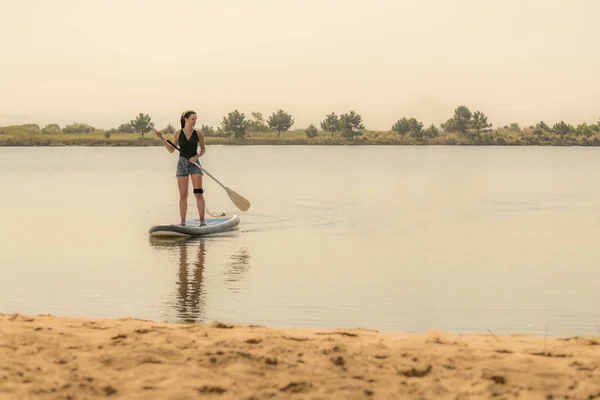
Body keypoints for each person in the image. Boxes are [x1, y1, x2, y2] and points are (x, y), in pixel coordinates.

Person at [155, 110, 207, 226]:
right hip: (182, 164)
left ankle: (202, 222)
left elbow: (203, 149)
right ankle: (183, 222)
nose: (195, 121)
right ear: (186, 119)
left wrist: (196, 156)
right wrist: (162, 139)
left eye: (196, 119)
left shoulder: (198, 133)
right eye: (193, 119)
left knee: (198, 193)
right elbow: (171, 149)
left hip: (195, 164)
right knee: (183, 195)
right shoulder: (178, 133)